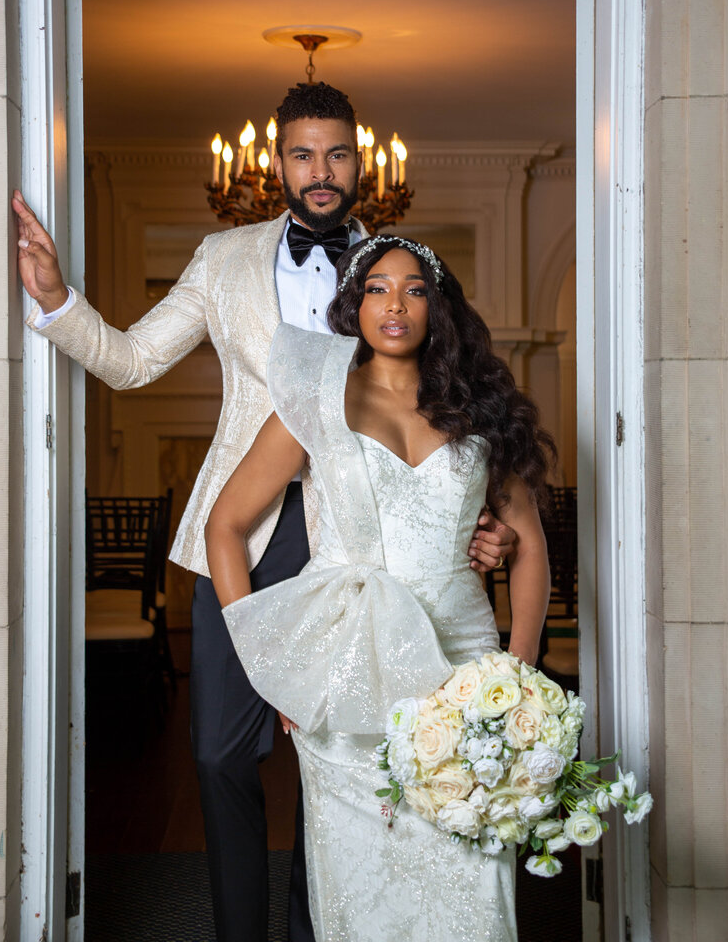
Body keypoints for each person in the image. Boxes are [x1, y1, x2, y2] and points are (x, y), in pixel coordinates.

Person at [12, 83, 517, 942]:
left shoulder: (398, 272)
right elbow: (133, 361)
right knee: (217, 753)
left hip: (359, 549)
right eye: (302, 154)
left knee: (354, 760)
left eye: (338, 154)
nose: (321, 173)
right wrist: (58, 299)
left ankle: (324, 921)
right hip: (239, 533)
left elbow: (447, 404)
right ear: (276, 163)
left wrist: (477, 521)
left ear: (362, 162)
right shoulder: (224, 257)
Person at [205, 236, 554, 942]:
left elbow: (531, 549)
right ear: (354, 305)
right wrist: (275, 668)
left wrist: (516, 677)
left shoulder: (476, 408)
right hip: (348, 677)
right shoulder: (314, 406)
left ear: (438, 307)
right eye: (377, 288)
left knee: (471, 879)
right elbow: (226, 526)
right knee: (360, 892)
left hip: (464, 674)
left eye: (415, 289)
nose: (395, 304)